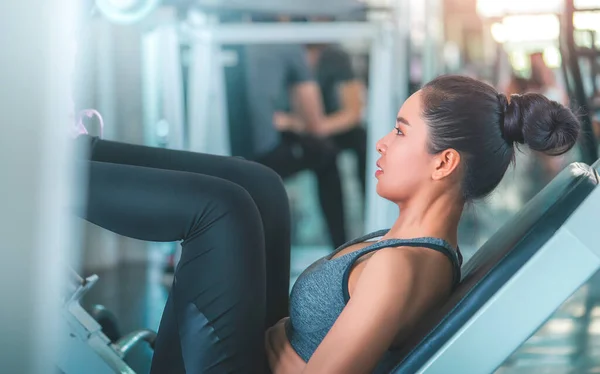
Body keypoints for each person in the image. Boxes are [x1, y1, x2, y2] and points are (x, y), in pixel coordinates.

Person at [76, 74, 579, 373]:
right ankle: (79, 151)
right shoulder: (408, 247)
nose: (382, 143)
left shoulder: (398, 269)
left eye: (400, 132)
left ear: (443, 163)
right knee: (263, 187)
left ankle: (44, 172)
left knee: (222, 210)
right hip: (252, 350)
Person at [226, 14, 347, 248]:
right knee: (326, 153)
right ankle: (341, 248)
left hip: (218, 154)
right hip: (262, 157)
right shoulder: (286, 43)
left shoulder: (221, 35)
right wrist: (291, 122)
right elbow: (315, 124)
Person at [274, 41, 367, 198]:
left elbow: (353, 113)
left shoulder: (335, 56)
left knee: (361, 139)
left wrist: (319, 127)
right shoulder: (281, 54)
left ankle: (371, 204)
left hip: (324, 125)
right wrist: (302, 125)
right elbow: (275, 118)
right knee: (324, 152)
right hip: (293, 131)